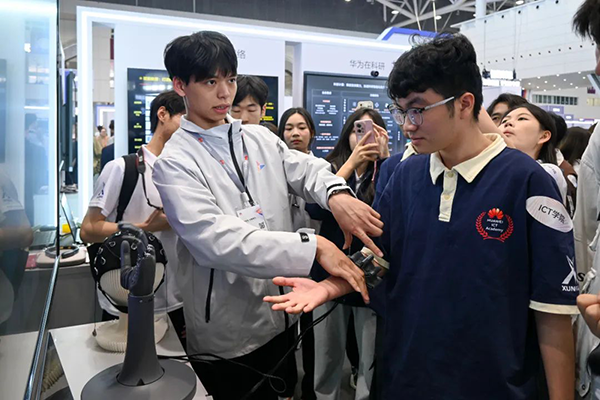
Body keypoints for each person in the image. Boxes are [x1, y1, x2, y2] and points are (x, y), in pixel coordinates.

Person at [265, 34, 578, 400]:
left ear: (464, 104)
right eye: (400, 112)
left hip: (494, 383)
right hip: (408, 376)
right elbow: (379, 258)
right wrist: (331, 286)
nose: (407, 125)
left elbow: (552, 312)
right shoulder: (407, 176)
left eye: (418, 110)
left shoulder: (526, 181)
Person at [153, 31, 380, 400]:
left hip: (282, 313)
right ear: (180, 85)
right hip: (226, 330)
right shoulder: (174, 163)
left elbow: (306, 169)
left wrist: (336, 194)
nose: (225, 93)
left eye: (230, 80)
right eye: (210, 82)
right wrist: (313, 247)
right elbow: (215, 241)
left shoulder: (258, 138)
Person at [80, 91, 187, 342]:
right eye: (185, 117)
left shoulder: (187, 171)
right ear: (163, 114)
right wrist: (144, 227)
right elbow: (88, 229)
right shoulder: (121, 169)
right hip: (125, 300)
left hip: (180, 297)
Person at [307, 108, 388, 400]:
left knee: (369, 352)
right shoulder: (329, 167)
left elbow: (389, 214)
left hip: (370, 275)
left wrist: (384, 161)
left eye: (373, 130)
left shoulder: (390, 171)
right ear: (347, 135)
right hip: (329, 272)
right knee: (326, 349)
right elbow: (315, 208)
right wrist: (350, 164)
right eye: (358, 129)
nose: (364, 136)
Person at [277, 107, 319, 400]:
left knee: (314, 330)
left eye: (301, 127)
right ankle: (286, 386)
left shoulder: (322, 169)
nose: (295, 133)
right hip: (283, 260)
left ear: (311, 133)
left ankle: (311, 389)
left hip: (316, 261)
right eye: (289, 128)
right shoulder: (273, 173)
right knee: (285, 330)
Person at [500, 104, 568, 205]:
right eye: (504, 121)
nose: (508, 123)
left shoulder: (549, 172)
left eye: (522, 118)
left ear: (543, 136)